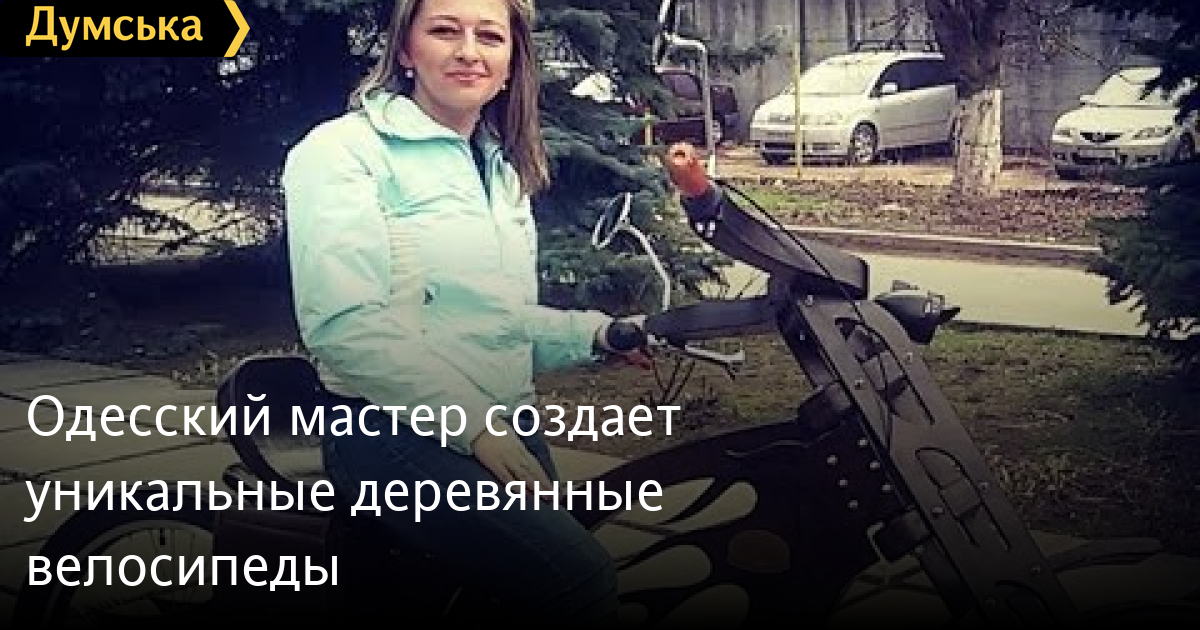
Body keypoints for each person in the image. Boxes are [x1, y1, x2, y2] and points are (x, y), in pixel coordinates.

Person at [281, 0, 643, 624]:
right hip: (389, 428)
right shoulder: (342, 152)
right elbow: (344, 325)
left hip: (502, 419)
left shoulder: (499, 164)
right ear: (405, 50)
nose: (469, 51)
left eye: (490, 37)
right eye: (445, 31)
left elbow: (495, 320)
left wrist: (598, 335)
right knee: (577, 579)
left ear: (511, 62)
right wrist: (474, 427)